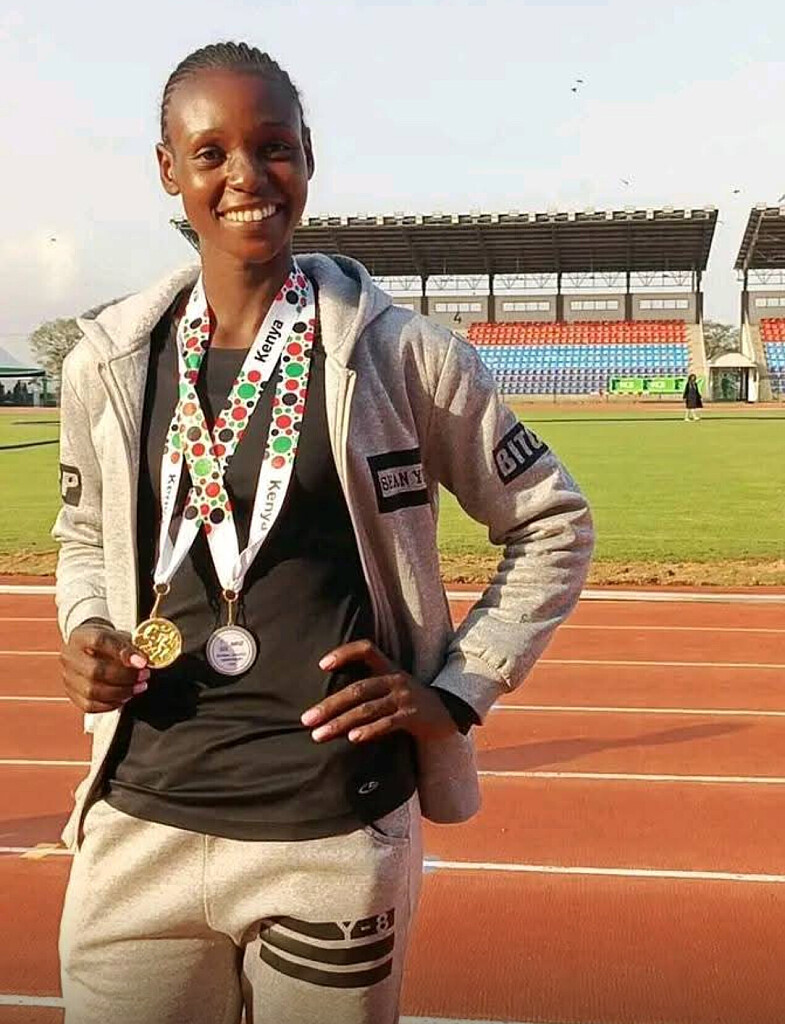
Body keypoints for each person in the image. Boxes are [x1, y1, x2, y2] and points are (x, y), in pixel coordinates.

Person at [54, 41, 594, 1024]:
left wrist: (456, 690)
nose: (247, 177)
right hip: (139, 824)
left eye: (274, 146)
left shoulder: (403, 357)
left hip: (329, 833)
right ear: (168, 170)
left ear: (308, 155)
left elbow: (553, 520)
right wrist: (87, 625)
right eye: (210, 152)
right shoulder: (110, 363)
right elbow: (83, 534)